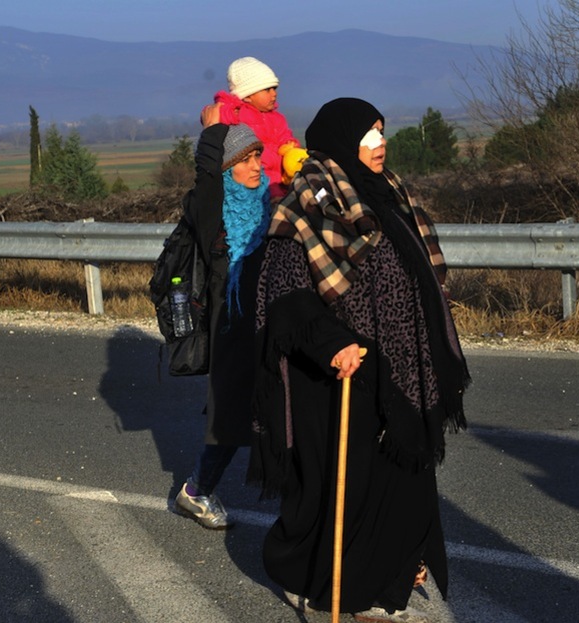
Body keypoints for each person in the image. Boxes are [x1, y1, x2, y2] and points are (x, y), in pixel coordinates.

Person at [249, 98, 470, 623]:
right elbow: (283, 292)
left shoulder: (389, 193)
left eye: (382, 132)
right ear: (343, 139)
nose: (380, 143)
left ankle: (390, 576)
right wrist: (332, 344)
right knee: (349, 483)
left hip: (398, 369)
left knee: (402, 478)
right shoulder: (308, 202)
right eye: (369, 135)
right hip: (339, 373)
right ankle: (324, 583)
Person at [173, 111, 271, 529]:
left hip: (266, 329)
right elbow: (205, 175)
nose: (255, 167)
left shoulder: (267, 207)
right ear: (225, 168)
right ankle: (196, 492)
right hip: (230, 334)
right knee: (231, 421)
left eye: (258, 157)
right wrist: (215, 130)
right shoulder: (211, 214)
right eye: (245, 160)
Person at [201, 56, 304, 199]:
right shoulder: (237, 114)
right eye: (267, 90)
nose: (274, 93)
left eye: (275, 88)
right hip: (255, 179)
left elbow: (286, 137)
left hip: (282, 179)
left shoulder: (277, 118)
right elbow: (216, 113)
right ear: (247, 95)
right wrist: (226, 105)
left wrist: (290, 148)